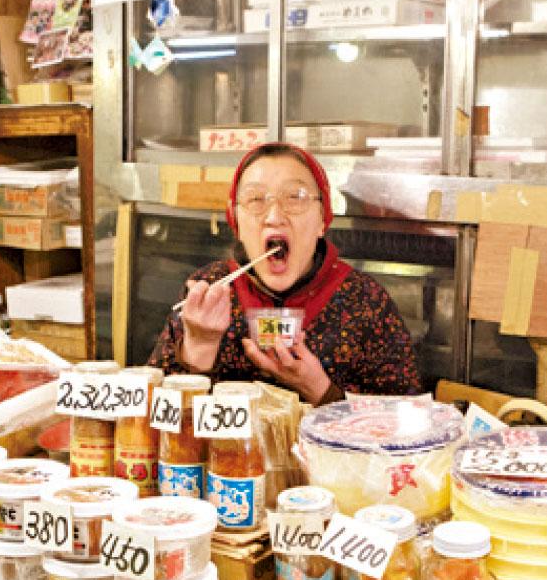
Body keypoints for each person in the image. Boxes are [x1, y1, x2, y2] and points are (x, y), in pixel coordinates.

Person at [149, 142, 422, 405]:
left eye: (295, 197)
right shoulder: (209, 290)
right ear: (237, 223)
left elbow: (406, 424)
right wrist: (199, 348)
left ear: (322, 220)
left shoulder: (365, 300)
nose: (274, 216)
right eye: (255, 199)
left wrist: (320, 390)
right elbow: (153, 422)